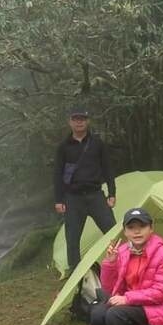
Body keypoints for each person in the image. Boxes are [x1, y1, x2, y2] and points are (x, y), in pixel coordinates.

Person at [53, 107, 117, 272]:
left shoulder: (97, 143)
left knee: (113, 233)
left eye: (82, 119)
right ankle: (76, 276)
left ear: (87, 121)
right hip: (73, 199)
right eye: (76, 119)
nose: (79, 122)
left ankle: (122, 266)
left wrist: (112, 193)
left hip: (96, 195)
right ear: (70, 122)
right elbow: (57, 174)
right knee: (72, 239)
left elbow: (108, 168)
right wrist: (58, 200)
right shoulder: (63, 147)